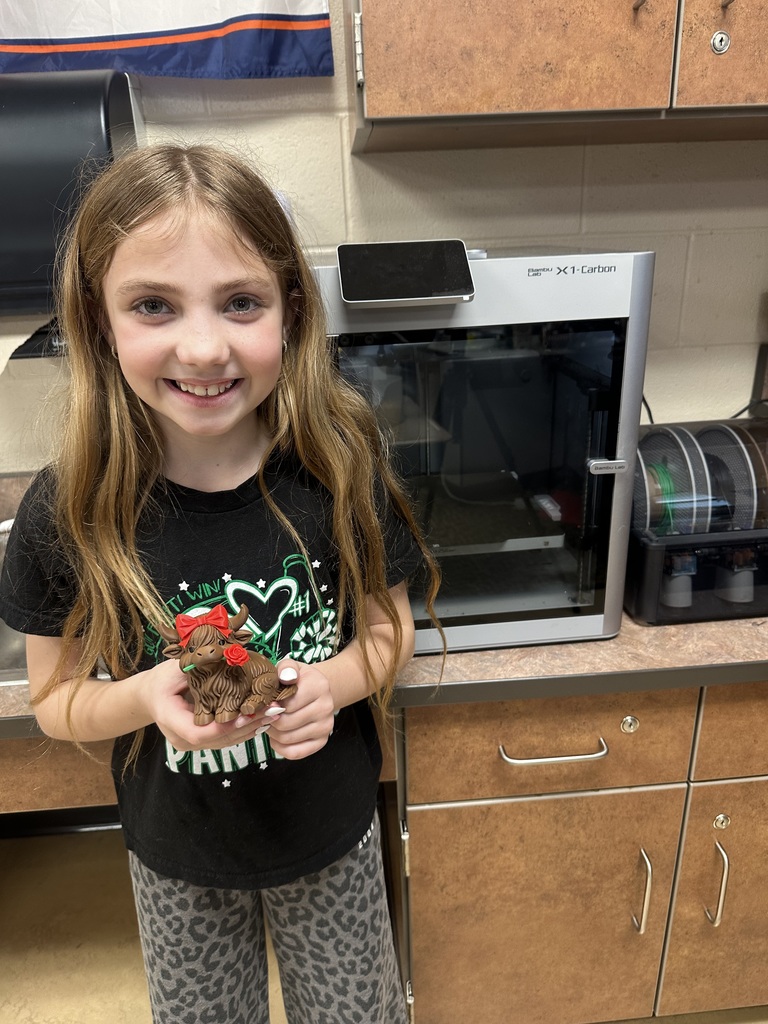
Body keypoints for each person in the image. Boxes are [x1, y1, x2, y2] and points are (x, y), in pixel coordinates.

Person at [0, 143, 441, 1024]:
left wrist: (334, 682)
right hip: (177, 860)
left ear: (289, 310)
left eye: (240, 302)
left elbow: (391, 633)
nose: (203, 347)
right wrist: (143, 699)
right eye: (154, 306)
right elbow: (53, 699)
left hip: (332, 839)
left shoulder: (340, 467)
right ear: (98, 322)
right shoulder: (70, 507)